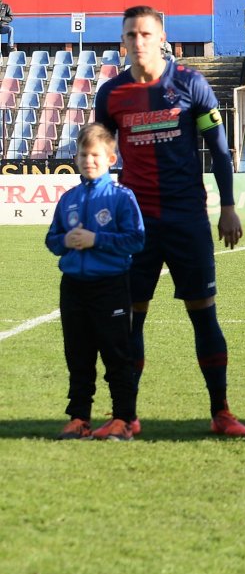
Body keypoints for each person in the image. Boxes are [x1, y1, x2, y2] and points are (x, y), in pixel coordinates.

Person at [95, 6, 245, 436]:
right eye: (130, 35)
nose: (138, 41)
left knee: (203, 314)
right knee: (131, 318)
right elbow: (98, 154)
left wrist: (229, 206)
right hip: (134, 225)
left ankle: (221, 412)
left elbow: (218, 150)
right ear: (123, 41)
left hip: (186, 219)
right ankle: (125, 415)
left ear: (161, 37)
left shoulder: (189, 84)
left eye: (145, 33)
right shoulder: (111, 95)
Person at [46, 123, 144, 441]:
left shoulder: (121, 197)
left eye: (96, 155)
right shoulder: (69, 199)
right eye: (84, 154)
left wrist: (95, 239)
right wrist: (66, 241)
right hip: (73, 286)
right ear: (76, 158)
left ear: (111, 159)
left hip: (110, 285)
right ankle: (79, 419)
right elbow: (52, 240)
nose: (90, 160)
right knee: (78, 355)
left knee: (117, 354)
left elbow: (135, 240)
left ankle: (123, 419)